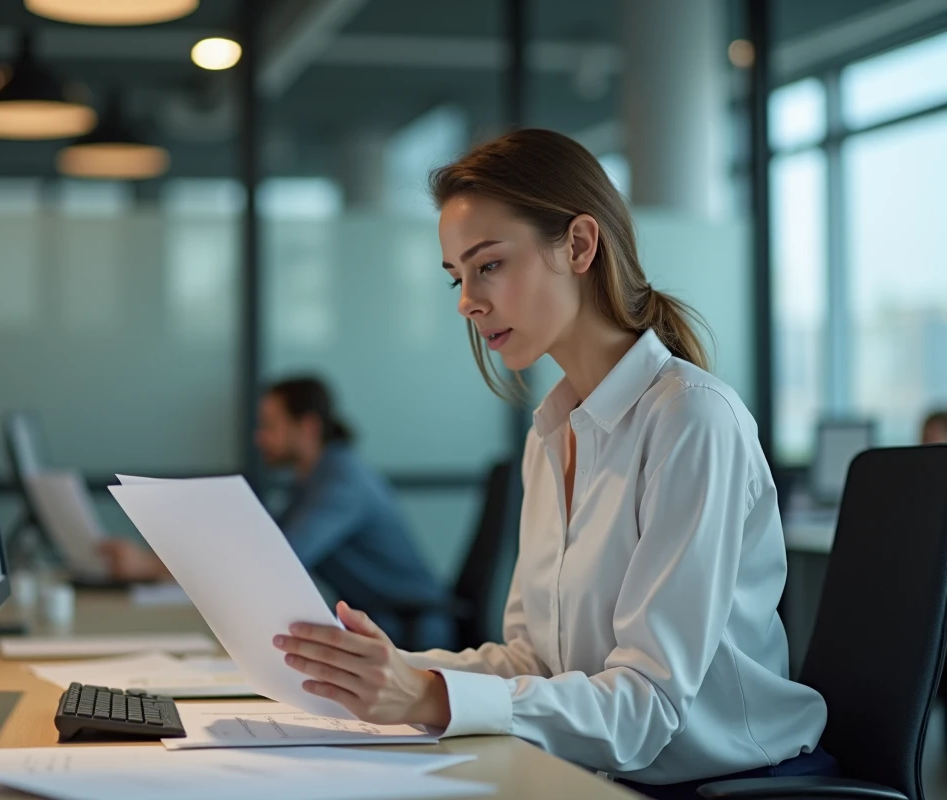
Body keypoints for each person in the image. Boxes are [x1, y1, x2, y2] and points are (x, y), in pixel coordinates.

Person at [271, 129, 834, 798]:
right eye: (457, 277)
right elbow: (533, 661)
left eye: (488, 265)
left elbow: (648, 708)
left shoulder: (691, 419)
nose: (466, 300)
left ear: (579, 246)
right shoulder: (553, 434)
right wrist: (381, 672)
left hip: (729, 783)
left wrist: (426, 695)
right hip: (596, 773)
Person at [99, 377, 454, 650]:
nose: (259, 438)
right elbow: (258, 546)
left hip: (411, 631)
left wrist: (148, 565)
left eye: (269, 426)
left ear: (308, 428)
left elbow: (274, 562)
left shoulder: (342, 482)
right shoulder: (312, 479)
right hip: (380, 625)